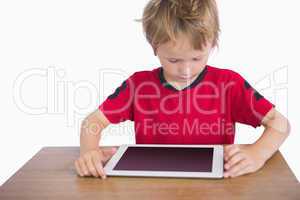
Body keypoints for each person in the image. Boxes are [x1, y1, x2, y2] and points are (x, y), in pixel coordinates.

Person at [74, 0, 290, 179]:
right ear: (154, 46)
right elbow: (92, 122)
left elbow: (280, 124)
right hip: (152, 187)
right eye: (174, 59)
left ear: (212, 44)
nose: (186, 70)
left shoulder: (229, 84)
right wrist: (89, 152)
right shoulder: (138, 85)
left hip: (216, 188)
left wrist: (258, 153)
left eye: (197, 58)